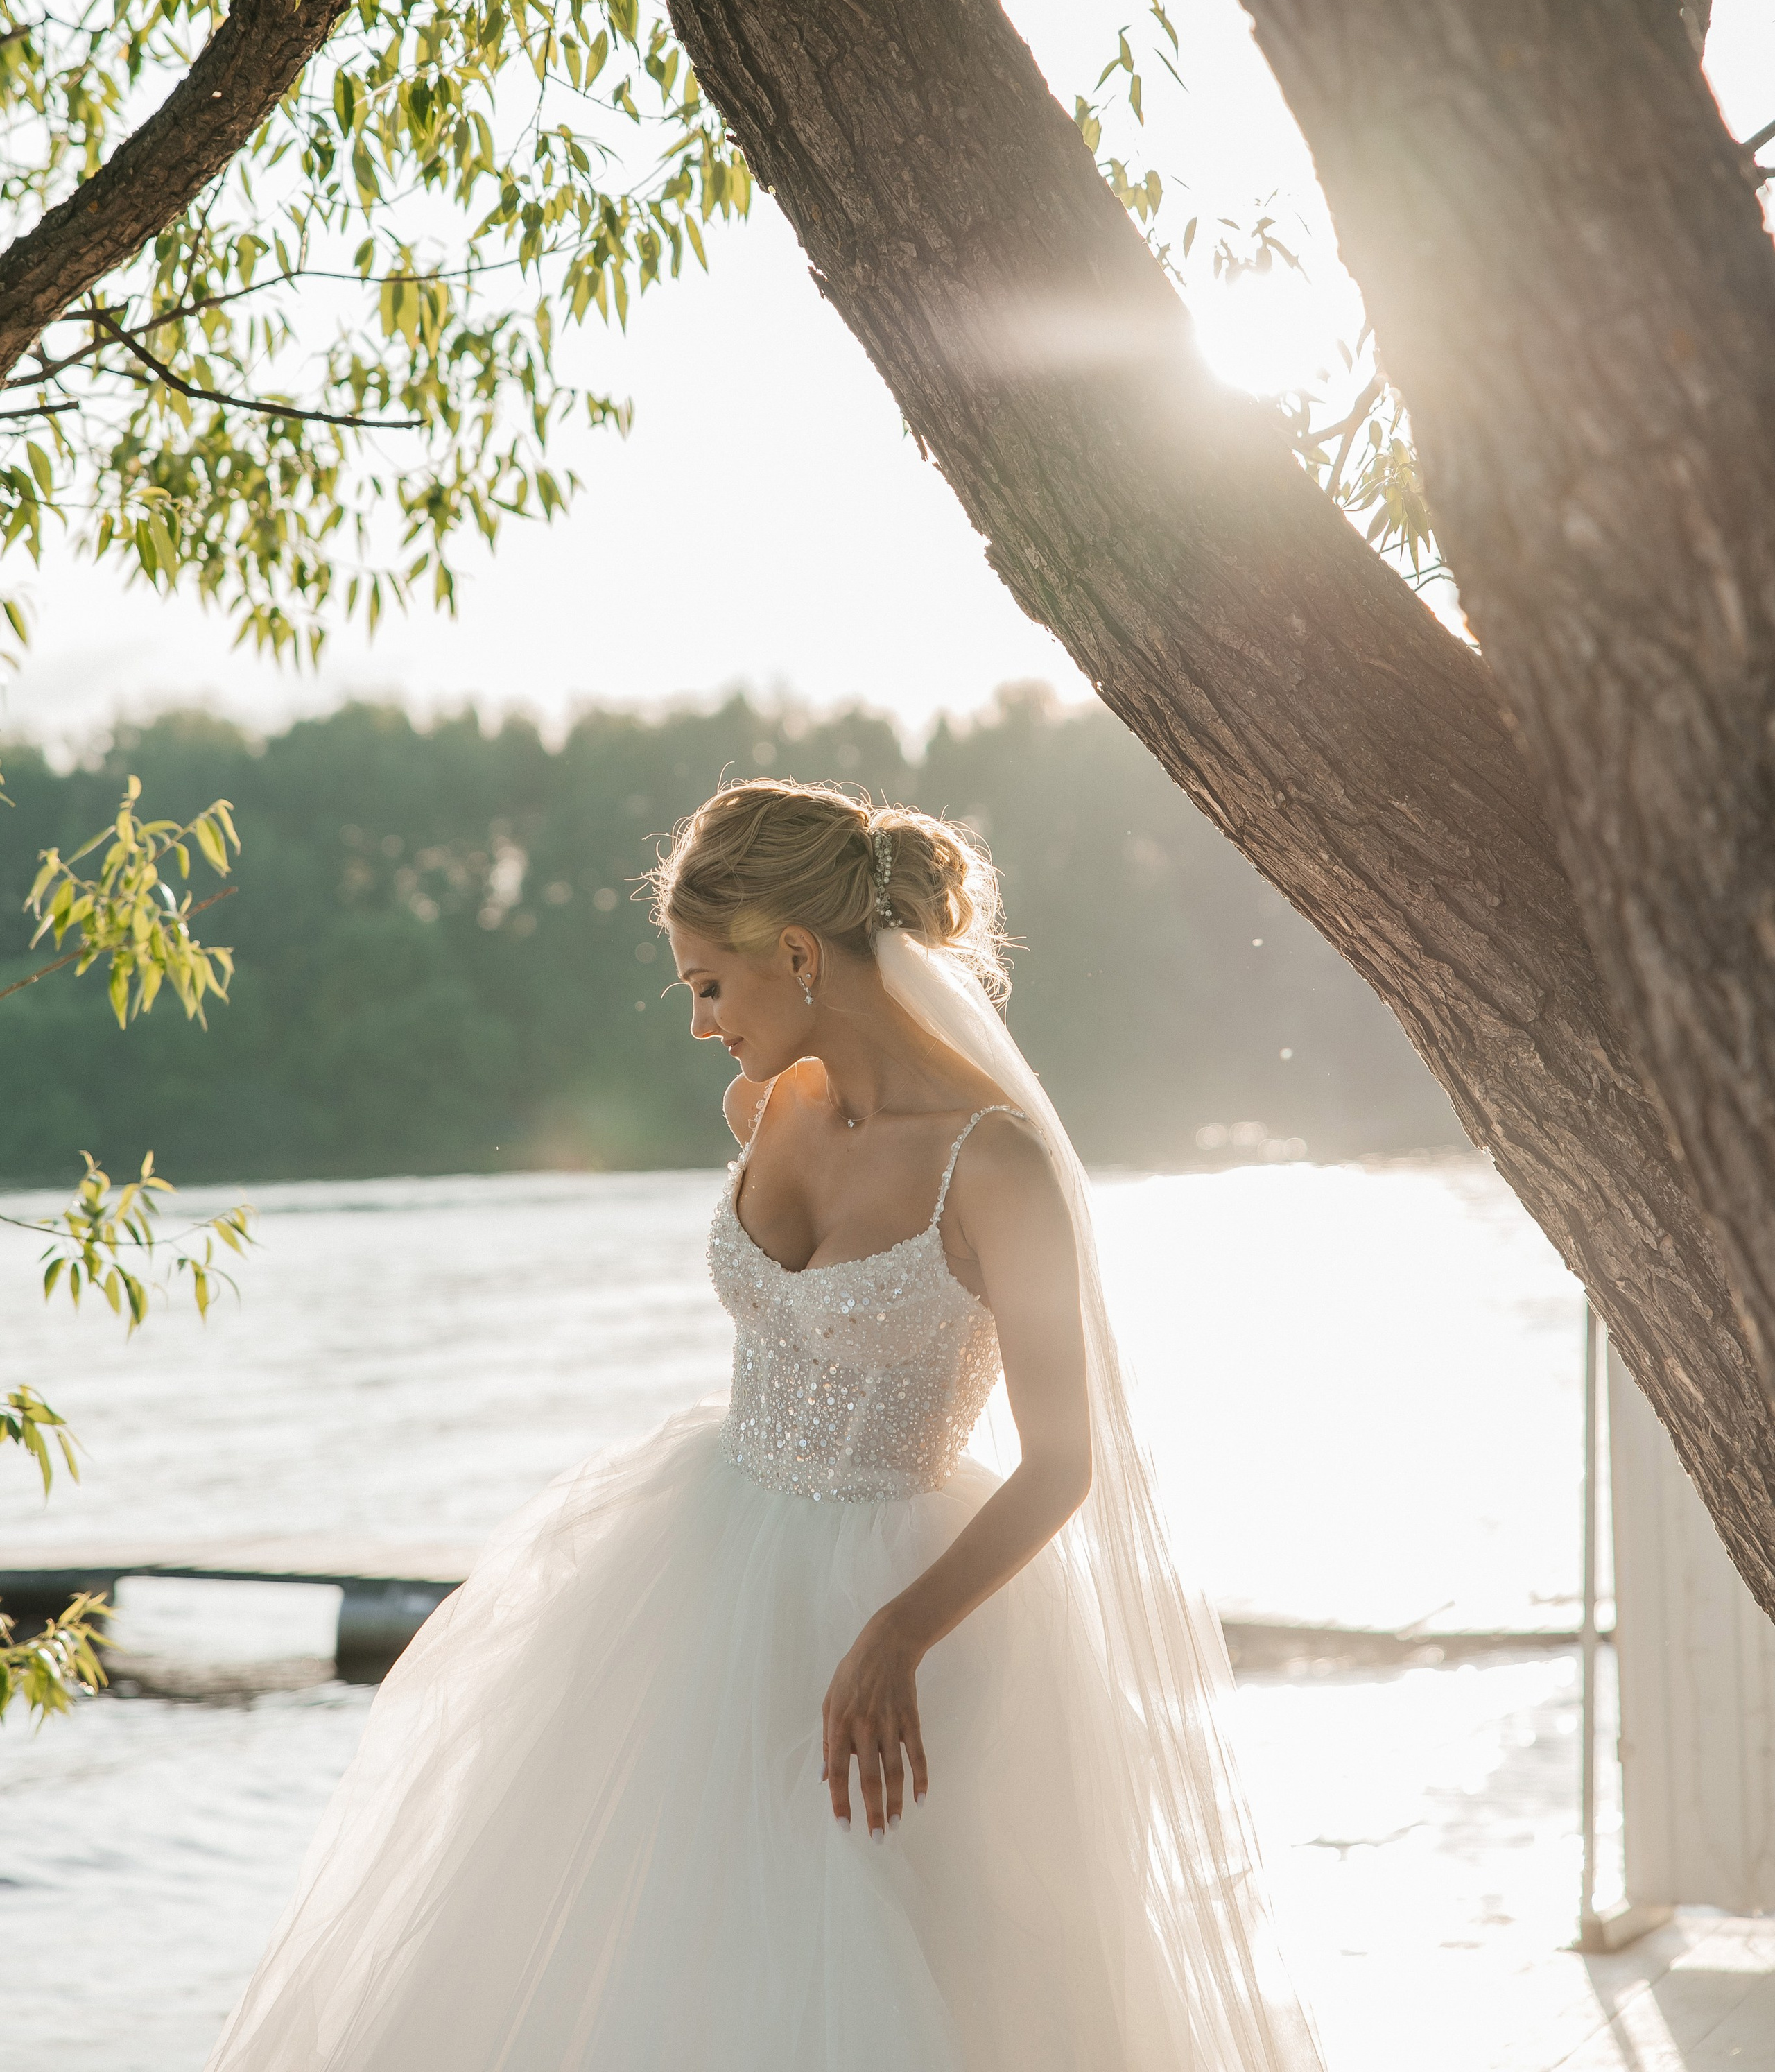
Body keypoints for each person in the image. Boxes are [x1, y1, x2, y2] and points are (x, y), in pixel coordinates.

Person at [207, 780, 1322, 2071]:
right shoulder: (772, 1107)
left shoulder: (995, 1164)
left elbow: (1068, 1460)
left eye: (708, 987)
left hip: (906, 1602)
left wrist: (900, 1631)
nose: (697, 1024)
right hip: (705, 1571)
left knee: (892, 1970)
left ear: (797, 954)